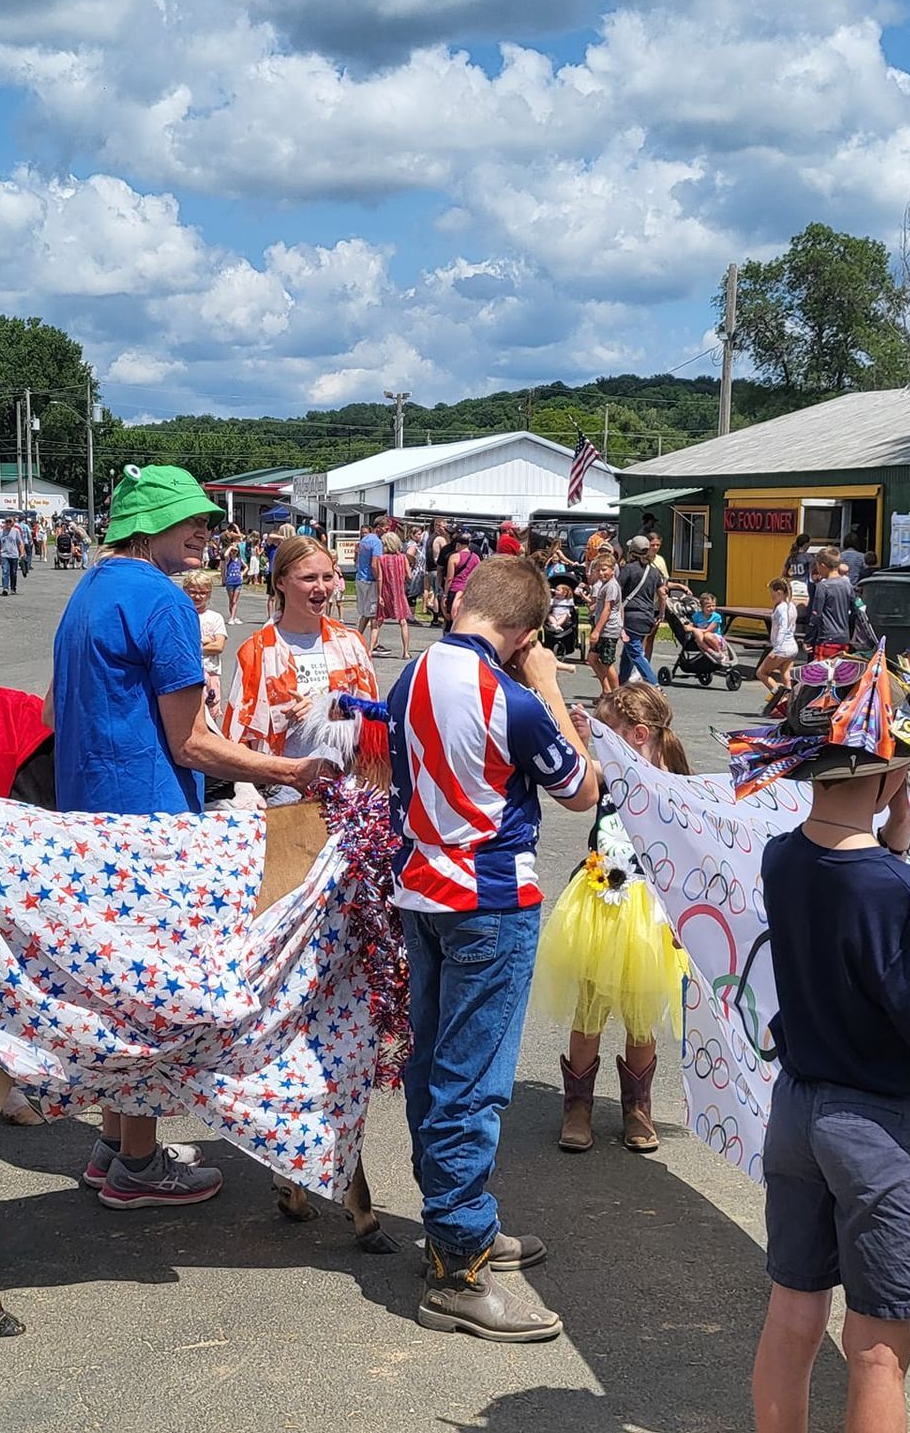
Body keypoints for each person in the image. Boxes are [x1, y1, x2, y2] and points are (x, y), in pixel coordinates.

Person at [50, 464, 333, 1208]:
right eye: (192, 521)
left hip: (87, 816)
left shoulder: (86, 591)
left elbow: (56, 711)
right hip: (149, 824)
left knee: (113, 989)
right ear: (148, 527)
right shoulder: (163, 603)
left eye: (208, 520)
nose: (207, 532)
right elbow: (193, 743)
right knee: (148, 995)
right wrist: (294, 770)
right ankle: (140, 1167)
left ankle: (116, 1145)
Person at [745, 694, 910, 1433]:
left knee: (794, 1310)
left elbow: (846, 885)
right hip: (880, 1132)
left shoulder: (780, 858)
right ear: (888, 782)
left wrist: (893, 844)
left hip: (796, 1112)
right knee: (879, 1348)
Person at [388, 555, 600, 1341]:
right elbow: (583, 789)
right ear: (524, 632)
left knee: (436, 1068)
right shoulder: (514, 696)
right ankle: (457, 1266)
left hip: (424, 894)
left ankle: (460, 1229)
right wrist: (546, 681)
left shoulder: (409, 674)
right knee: (472, 1084)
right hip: (491, 901)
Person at [537, 683, 691, 1154]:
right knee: (588, 1012)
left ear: (638, 734)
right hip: (598, 907)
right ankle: (577, 1107)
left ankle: (637, 1109)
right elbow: (582, 774)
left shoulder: (672, 785)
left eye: (610, 732)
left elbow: (688, 857)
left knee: (641, 1017)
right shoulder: (609, 773)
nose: (602, 741)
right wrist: (583, 736)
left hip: (647, 915)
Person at [222, 535, 378, 804]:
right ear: (280, 582)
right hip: (281, 798)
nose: (321, 588)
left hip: (348, 795)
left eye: (328, 577)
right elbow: (236, 740)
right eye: (309, 579)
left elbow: (377, 727)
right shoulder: (257, 651)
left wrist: (325, 713)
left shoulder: (351, 643)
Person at [617, 537, 666, 685]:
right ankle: (621, 684)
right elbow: (663, 594)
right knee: (628, 653)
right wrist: (662, 614)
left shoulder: (628, 569)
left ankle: (654, 685)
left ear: (632, 551)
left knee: (636, 653)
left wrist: (618, 618)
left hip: (631, 616)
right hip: (647, 616)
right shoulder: (654, 572)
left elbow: (618, 594)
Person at [182, 569, 229, 712]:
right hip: (188, 674)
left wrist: (194, 647)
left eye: (202, 592)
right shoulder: (181, 616)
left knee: (211, 714)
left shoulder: (215, 618)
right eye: (193, 592)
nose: (197, 596)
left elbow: (219, 646)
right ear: (185, 591)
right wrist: (206, 640)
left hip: (211, 673)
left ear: (209, 594)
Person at [584, 550, 623, 694]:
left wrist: (597, 631)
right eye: (598, 570)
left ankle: (617, 693)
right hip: (602, 627)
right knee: (592, 658)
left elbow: (608, 609)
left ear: (613, 570)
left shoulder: (612, 586)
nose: (601, 573)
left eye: (604, 569)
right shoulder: (604, 585)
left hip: (608, 629)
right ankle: (606, 690)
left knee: (607, 662)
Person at [373, 530, 414, 659]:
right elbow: (409, 576)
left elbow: (379, 578)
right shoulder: (403, 558)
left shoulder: (382, 559)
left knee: (378, 621)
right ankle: (406, 651)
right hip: (399, 592)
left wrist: (379, 595)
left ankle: (369, 649)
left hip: (385, 592)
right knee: (403, 622)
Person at [804, 550, 853, 659]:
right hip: (844, 638)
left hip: (826, 637)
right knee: (839, 672)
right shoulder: (847, 585)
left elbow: (816, 614)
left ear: (822, 566)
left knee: (822, 673)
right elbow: (855, 609)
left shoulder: (823, 587)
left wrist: (808, 639)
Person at [355, 515, 387, 650]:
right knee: (374, 615)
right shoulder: (376, 542)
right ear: (379, 528)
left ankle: (357, 640)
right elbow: (375, 564)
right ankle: (372, 646)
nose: (387, 531)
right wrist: (379, 578)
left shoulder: (364, 540)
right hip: (370, 580)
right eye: (386, 528)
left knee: (365, 613)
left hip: (360, 577)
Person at [443, 532, 481, 629]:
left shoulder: (454, 557)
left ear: (458, 544)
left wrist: (445, 595)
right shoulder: (476, 558)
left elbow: (449, 578)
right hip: (468, 591)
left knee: (451, 618)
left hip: (455, 590)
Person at [424, 518, 451, 625]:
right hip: (436, 569)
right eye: (445, 527)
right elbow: (444, 554)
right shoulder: (440, 539)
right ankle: (435, 618)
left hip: (430, 569)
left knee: (435, 593)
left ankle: (435, 616)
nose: (446, 530)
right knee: (438, 594)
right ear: (439, 526)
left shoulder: (430, 538)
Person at [0, 517, 22, 595]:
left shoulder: (16, 531)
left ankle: (13, 588)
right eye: (7, 522)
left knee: (13, 572)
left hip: (14, 555)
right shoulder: (0, 532)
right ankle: (5, 588)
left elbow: (20, 543)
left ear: (12, 523)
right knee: (5, 571)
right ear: (5, 522)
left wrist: (22, 553)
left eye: (10, 522)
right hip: (4, 555)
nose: (8, 523)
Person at [222, 538, 247, 623]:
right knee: (231, 600)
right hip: (230, 581)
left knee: (234, 600)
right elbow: (225, 555)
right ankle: (233, 616)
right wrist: (230, 547)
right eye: (232, 551)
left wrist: (242, 574)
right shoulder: (229, 559)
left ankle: (233, 617)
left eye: (235, 551)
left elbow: (246, 567)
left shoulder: (240, 560)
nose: (234, 552)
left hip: (238, 581)